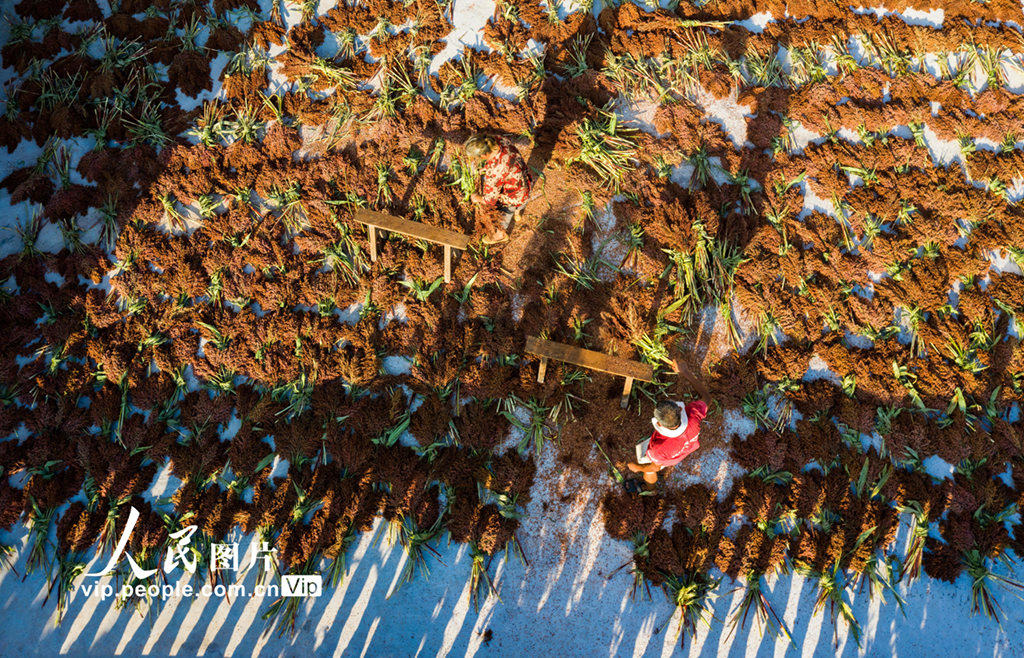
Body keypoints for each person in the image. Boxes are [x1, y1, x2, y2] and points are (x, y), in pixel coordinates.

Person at [626, 358, 711, 487]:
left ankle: (650, 489)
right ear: (680, 409)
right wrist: (686, 372)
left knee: (649, 472)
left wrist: (638, 468)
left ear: (659, 425)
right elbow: (707, 397)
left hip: (667, 458)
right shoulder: (693, 415)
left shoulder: (657, 451)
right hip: (686, 448)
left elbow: (653, 467)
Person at [464, 134, 532, 245]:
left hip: (512, 196)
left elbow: (490, 200)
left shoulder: (494, 172)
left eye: (477, 157)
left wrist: (476, 197)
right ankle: (517, 214)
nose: (477, 159)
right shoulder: (500, 140)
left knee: (505, 213)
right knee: (521, 201)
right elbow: (504, 161)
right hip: (524, 182)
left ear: (484, 154)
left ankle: (500, 236)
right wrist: (487, 167)